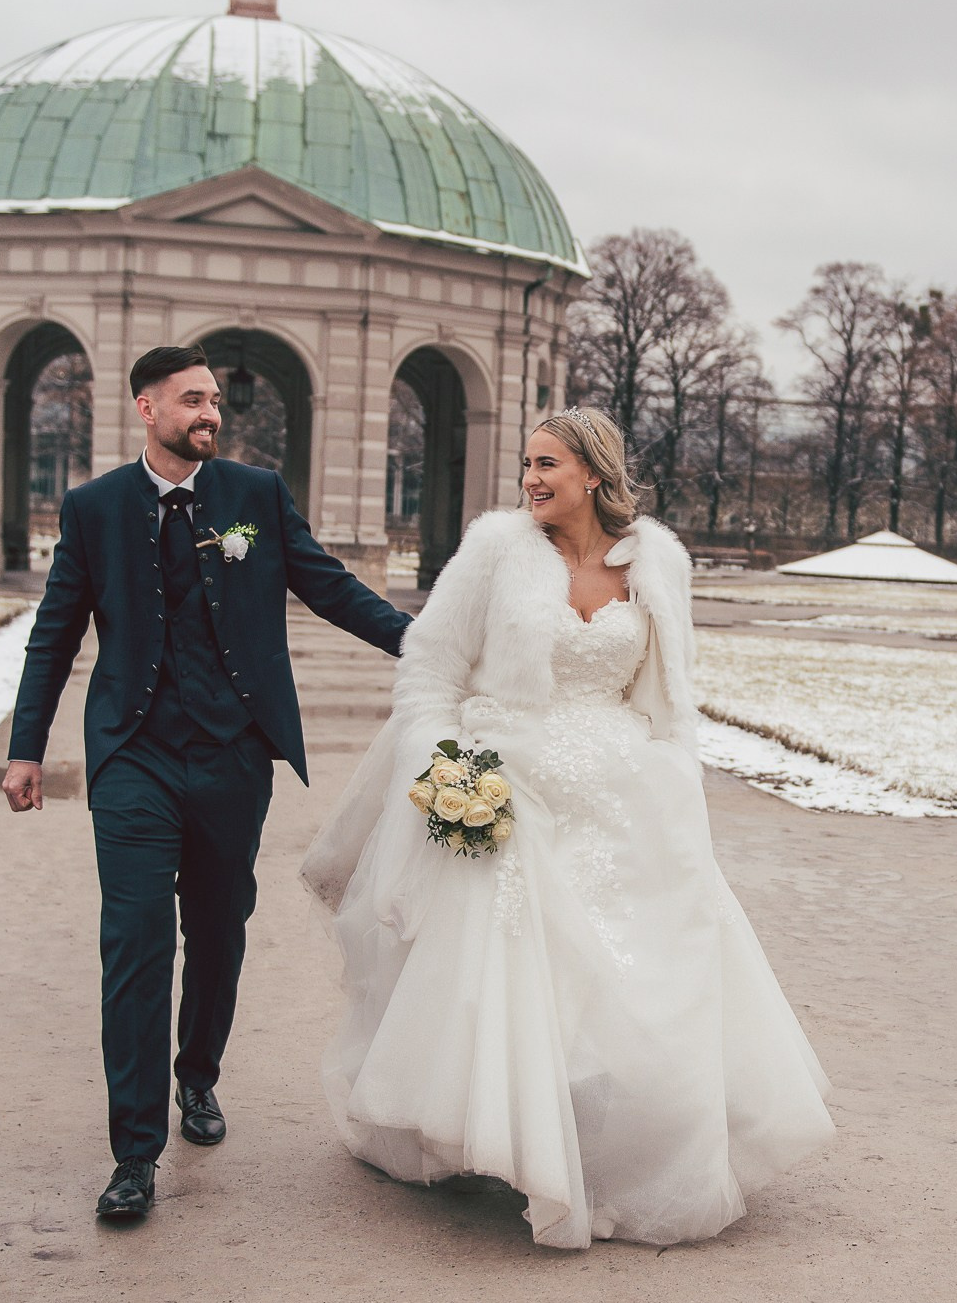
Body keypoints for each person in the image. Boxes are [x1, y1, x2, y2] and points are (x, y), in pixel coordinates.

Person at [304, 408, 834, 1249]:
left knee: (640, 978)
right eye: (526, 463)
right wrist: (445, 768)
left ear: (595, 472)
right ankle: (513, 1145)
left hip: (627, 799)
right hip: (510, 788)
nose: (531, 479)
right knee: (515, 977)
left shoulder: (658, 562)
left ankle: (614, 1154)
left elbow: (671, 696)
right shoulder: (494, 551)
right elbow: (430, 671)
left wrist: (673, 786)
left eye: (548, 463)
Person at [4, 344, 410, 1222]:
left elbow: (331, 588)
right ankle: (133, 1155)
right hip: (133, 758)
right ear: (145, 408)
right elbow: (55, 632)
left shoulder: (254, 499)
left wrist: (428, 645)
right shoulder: (94, 509)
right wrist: (26, 746)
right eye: (192, 400)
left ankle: (199, 1076)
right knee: (136, 945)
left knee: (219, 931)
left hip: (231, 754)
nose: (210, 414)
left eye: (216, 401)